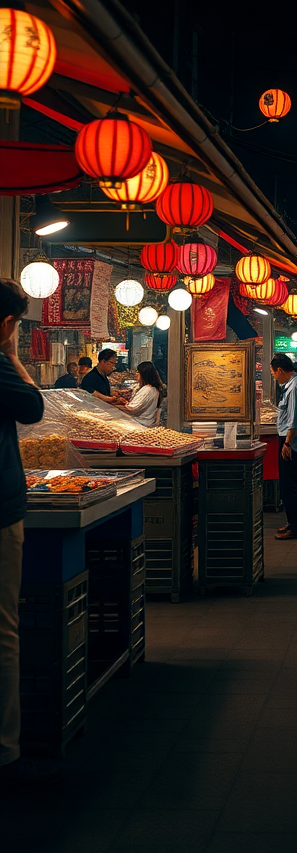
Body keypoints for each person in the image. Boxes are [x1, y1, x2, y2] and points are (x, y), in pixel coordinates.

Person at [0, 278, 63, 788]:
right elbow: (35, 408)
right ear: (7, 326)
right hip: (0, 511)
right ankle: (5, 749)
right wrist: (10, 353)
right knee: (3, 627)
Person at [270, 353, 297, 539]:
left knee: (292, 487)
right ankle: (294, 523)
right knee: (294, 485)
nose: (274, 376)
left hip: (294, 442)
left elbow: (295, 419)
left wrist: (288, 442)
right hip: (295, 441)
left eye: (273, 373)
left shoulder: (295, 387)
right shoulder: (296, 384)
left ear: (280, 370)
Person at [109, 361, 164, 426]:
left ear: (144, 375)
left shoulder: (148, 390)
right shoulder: (142, 386)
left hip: (140, 423)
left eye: (138, 372)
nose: (136, 374)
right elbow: (131, 391)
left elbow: (132, 409)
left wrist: (114, 406)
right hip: (137, 422)